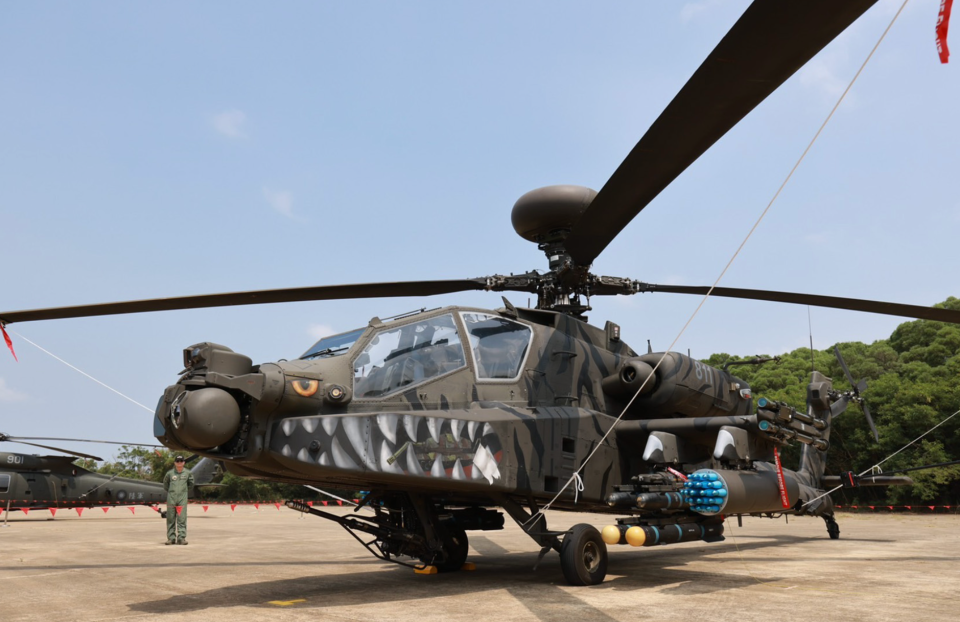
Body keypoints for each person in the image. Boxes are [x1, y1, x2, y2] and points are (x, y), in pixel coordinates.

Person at [162, 455, 194, 545]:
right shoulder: (170, 473)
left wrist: (183, 491)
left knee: (182, 519)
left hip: (182, 499)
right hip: (171, 498)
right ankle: (171, 538)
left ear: (184, 462)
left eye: (181, 461)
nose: (179, 462)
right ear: (175, 463)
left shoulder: (188, 473)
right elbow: (165, 485)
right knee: (170, 519)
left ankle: (181, 538)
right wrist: (172, 491)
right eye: (177, 461)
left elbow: (191, 484)